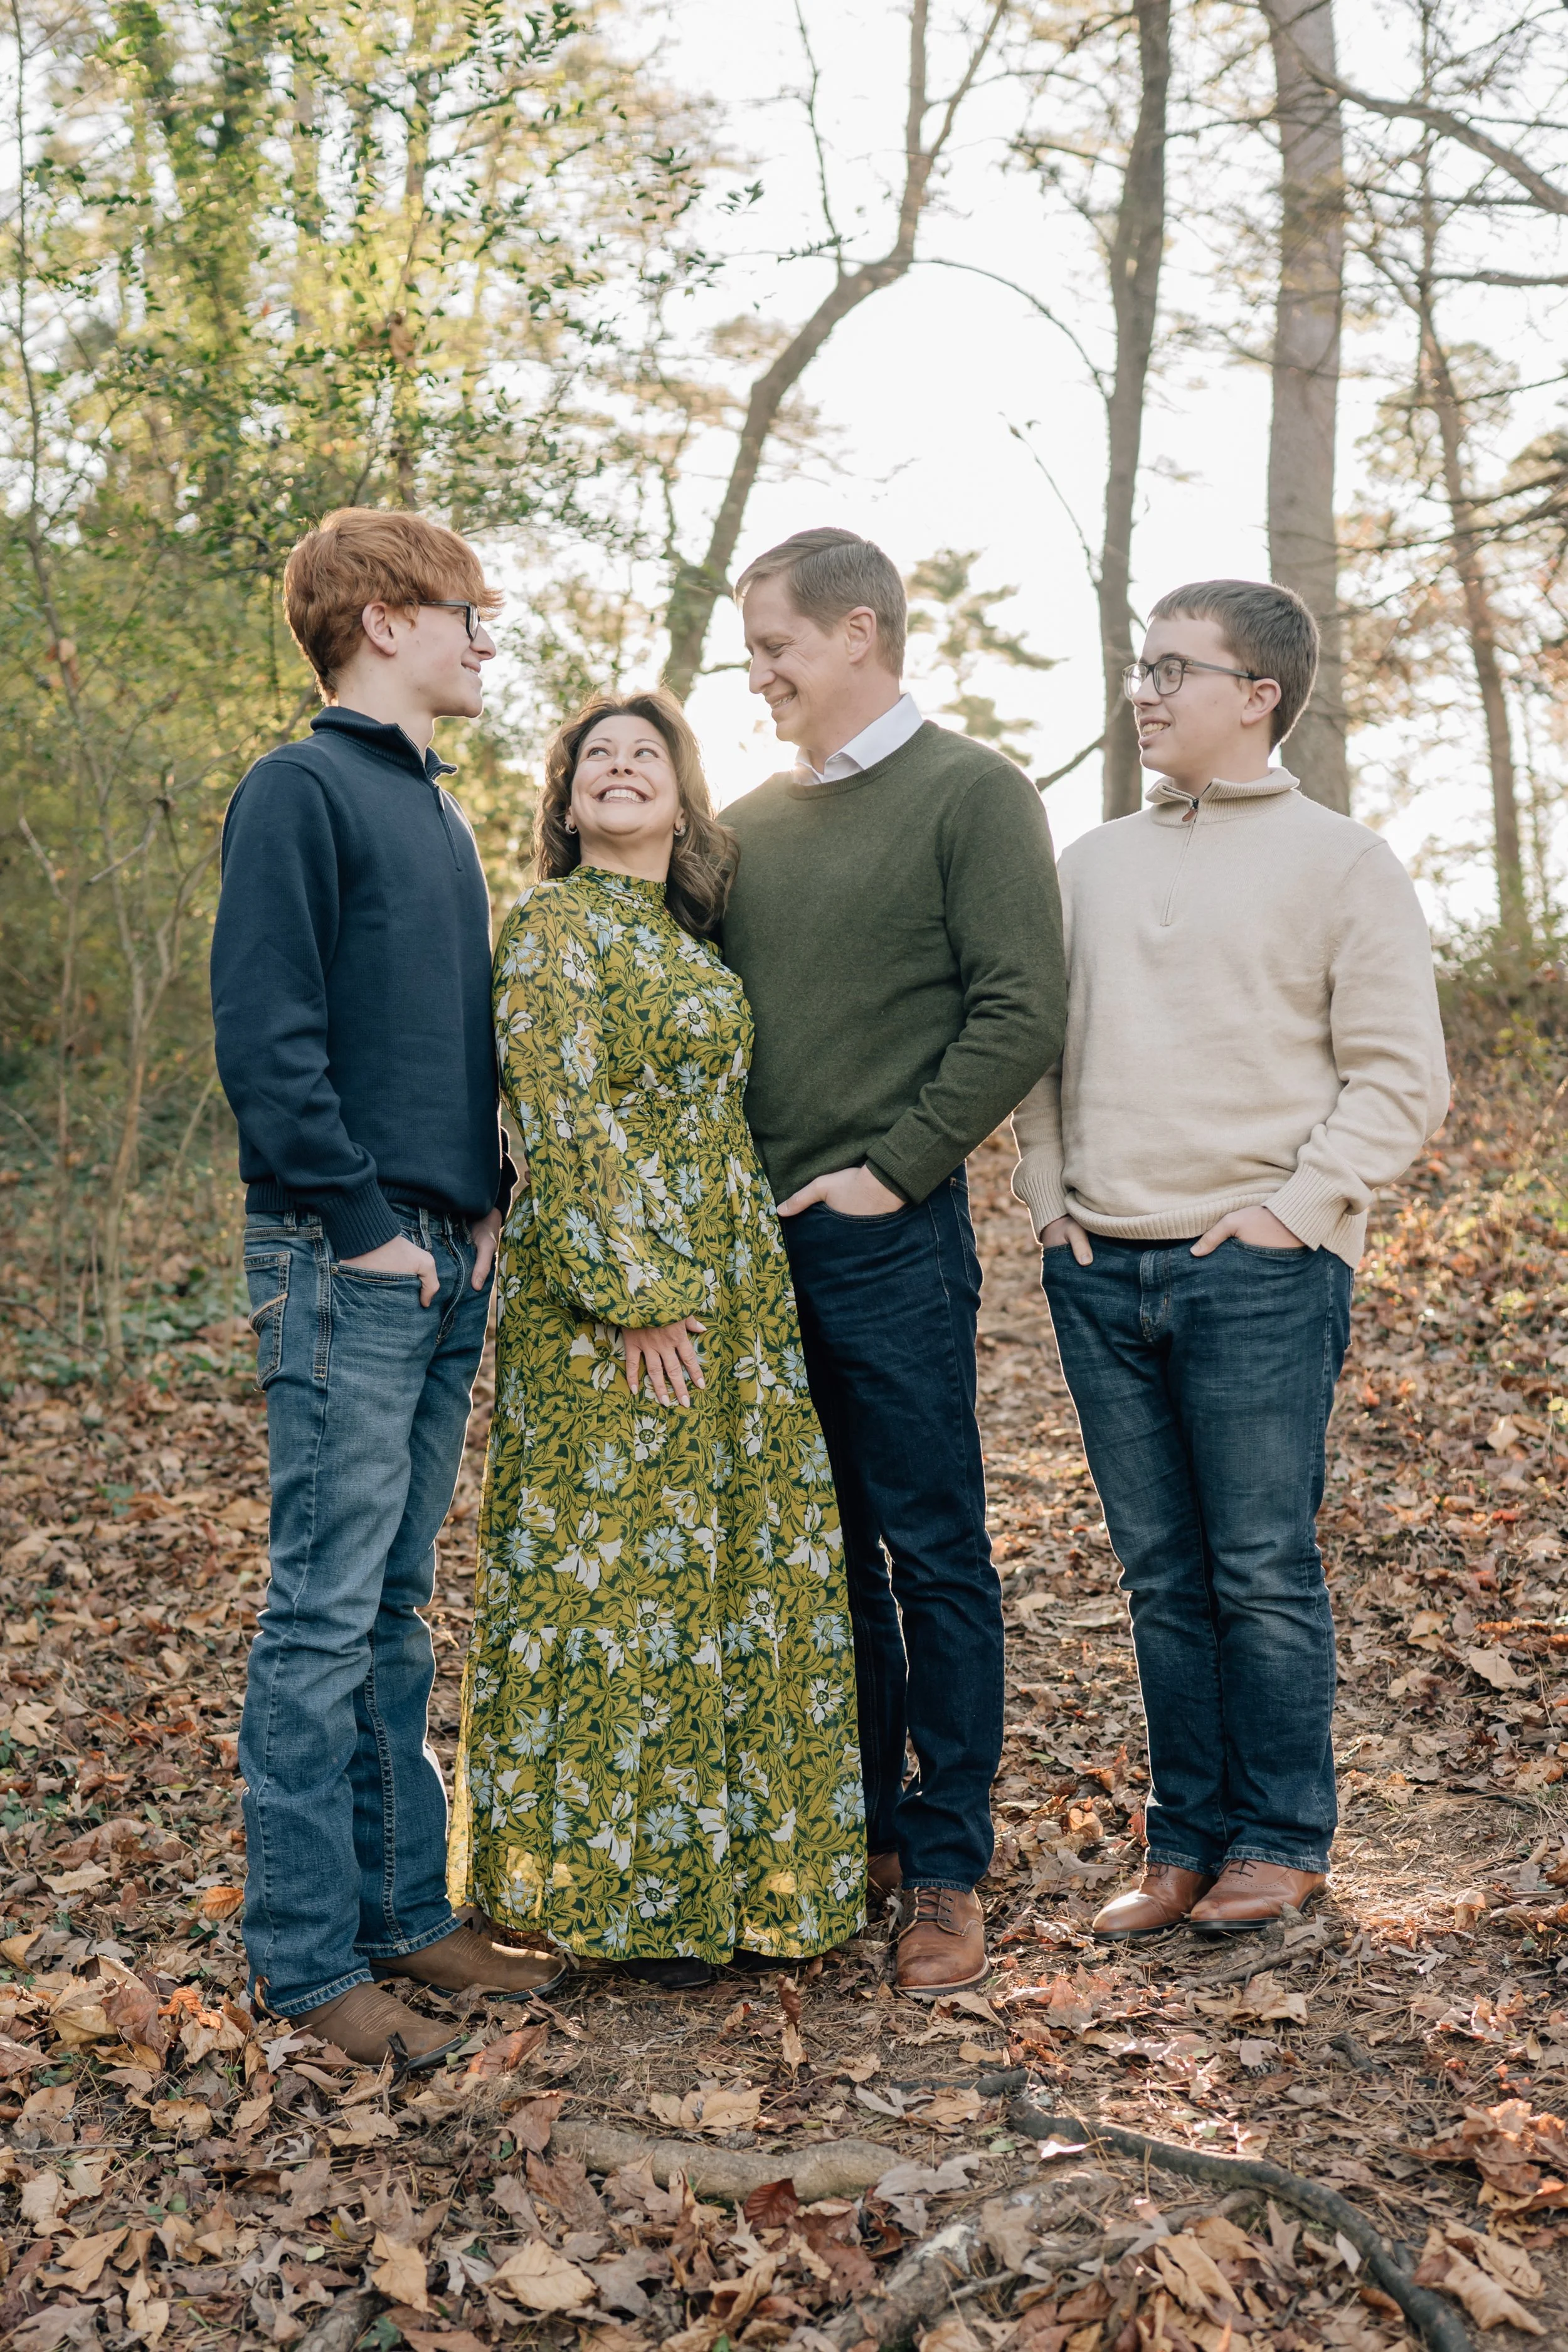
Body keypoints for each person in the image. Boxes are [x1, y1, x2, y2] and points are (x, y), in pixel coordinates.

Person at [1013, 580, 1449, 1940]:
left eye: (1172, 669)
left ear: (1256, 694)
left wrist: (1294, 1208)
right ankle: (1184, 1841)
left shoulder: (1341, 862)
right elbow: (1036, 1052)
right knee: (1156, 1575)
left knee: (1256, 1565)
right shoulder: (1087, 864)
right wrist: (1047, 1195)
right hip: (1101, 1262)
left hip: (1256, 1268)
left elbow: (1398, 1080)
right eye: (1140, 667)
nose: (1142, 690)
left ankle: (1278, 1836)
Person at [210, 509, 562, 2069]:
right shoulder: (298, 790)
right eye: (468, 614)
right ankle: (308, 1960)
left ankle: (410, 1915)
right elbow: (267, 1037)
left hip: (437, 1254)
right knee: (323, 1611)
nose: (487, 638)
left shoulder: (435, 808)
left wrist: (475, 1207)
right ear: (382, 619)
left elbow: (438, 1042)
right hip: (344, 1256)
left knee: (400, 1611)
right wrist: (363, 1226)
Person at [448, 689, 866, 1989]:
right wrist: (635, 1295)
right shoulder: (552, 928)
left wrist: (707, 1287)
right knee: (620, 1588)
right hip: (616, 1303)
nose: (619, 770)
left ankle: (743, 1882)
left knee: (727, 1573)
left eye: (645, 757)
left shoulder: (690, 944)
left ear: (682, 800)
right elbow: (559, 1117)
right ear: (566, 802)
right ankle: (625, 1905)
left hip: (730, 1290)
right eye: (595, 759)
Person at [721, 528, 1066, 1996]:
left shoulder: (972, 793)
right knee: (822, 1557)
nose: (758, 677)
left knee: (930, 1552)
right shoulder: (737, 827)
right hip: (750, 1253)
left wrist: (889, 1171)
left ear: (857, 633)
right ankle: (855, 1825)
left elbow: (1019, 1006)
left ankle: (945, 1863)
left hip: (885, 1237)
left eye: (775, 646)